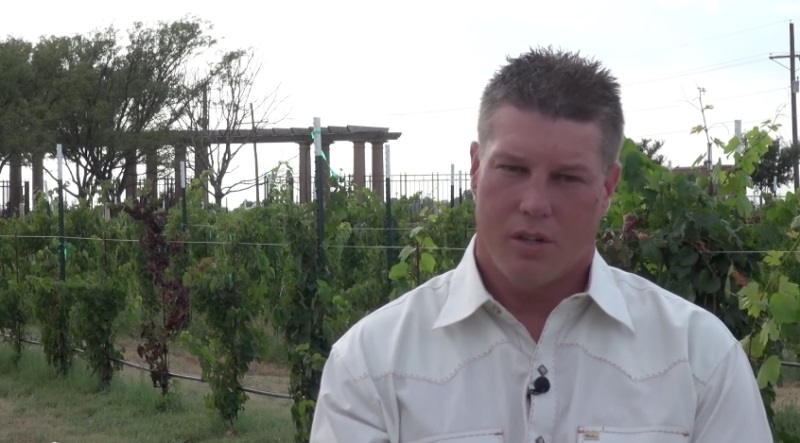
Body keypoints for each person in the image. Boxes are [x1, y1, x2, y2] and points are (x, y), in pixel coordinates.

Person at [309, 46, 773, 443]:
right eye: (512, 169)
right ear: (475, 168)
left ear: (608, 187)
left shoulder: (700, 360)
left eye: (567, 178)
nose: (534, 203)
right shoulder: (371, 367)